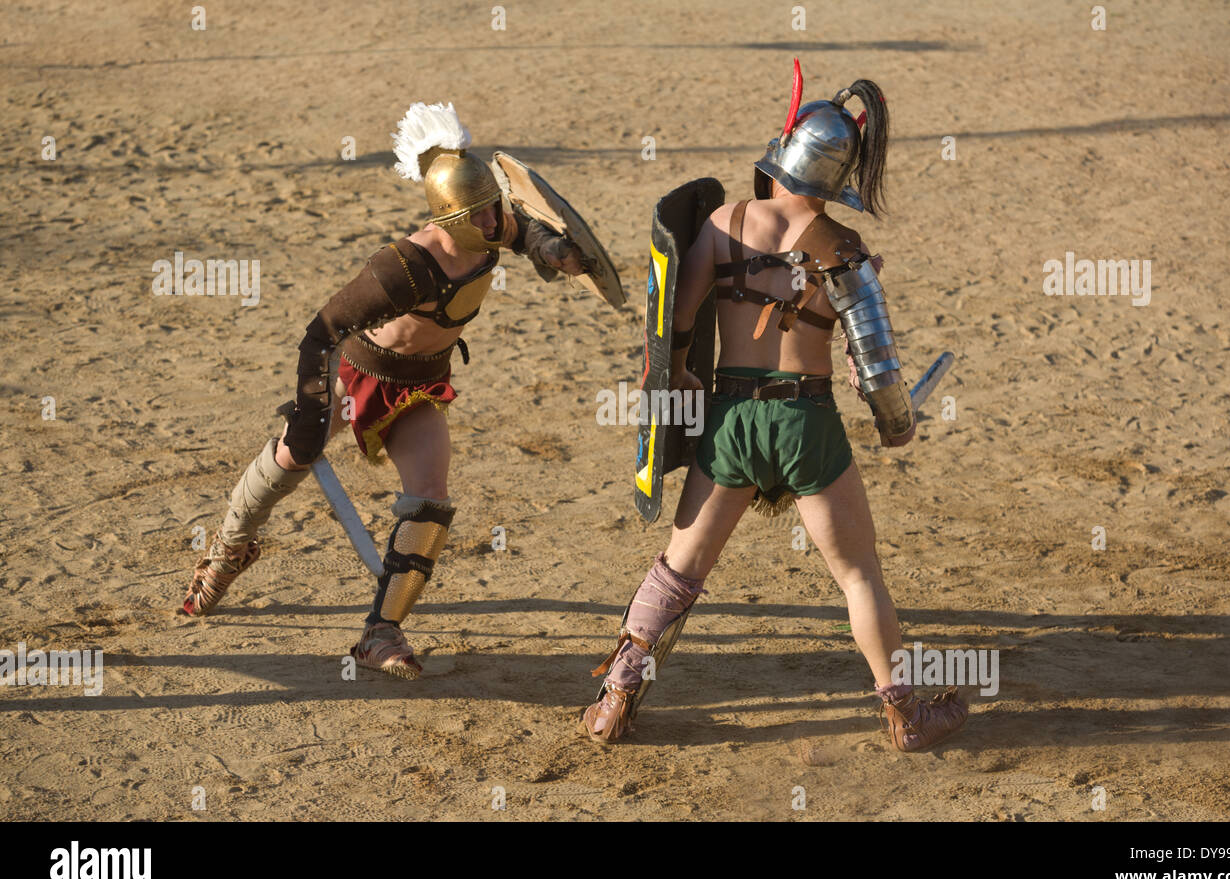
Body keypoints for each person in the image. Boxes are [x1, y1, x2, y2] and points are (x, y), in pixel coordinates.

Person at [583, 70, 968, 751]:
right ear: (838, 175)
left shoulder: (720, 223)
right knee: (858, 575)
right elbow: (878, 374)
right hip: (805, 425)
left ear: (782, 153)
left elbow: (674, 327)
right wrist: (897, 425)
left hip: (731, 423)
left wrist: (685, 389)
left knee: (677, 572)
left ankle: (615, 698)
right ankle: (906, 716)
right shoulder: (844, 249)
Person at [182, 102, 585, 679]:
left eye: (494, 209)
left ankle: (380, 633)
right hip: (356, 376)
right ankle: (227, 552)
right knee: (294, 455)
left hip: (420, 385)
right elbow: (321, 332)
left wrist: (553, 249)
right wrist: (312, 410)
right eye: (481, 216)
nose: (494, 224)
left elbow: (525, 232)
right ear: (451, 217)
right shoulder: (402, 267)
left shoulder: (493, 225)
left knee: (430, 500)